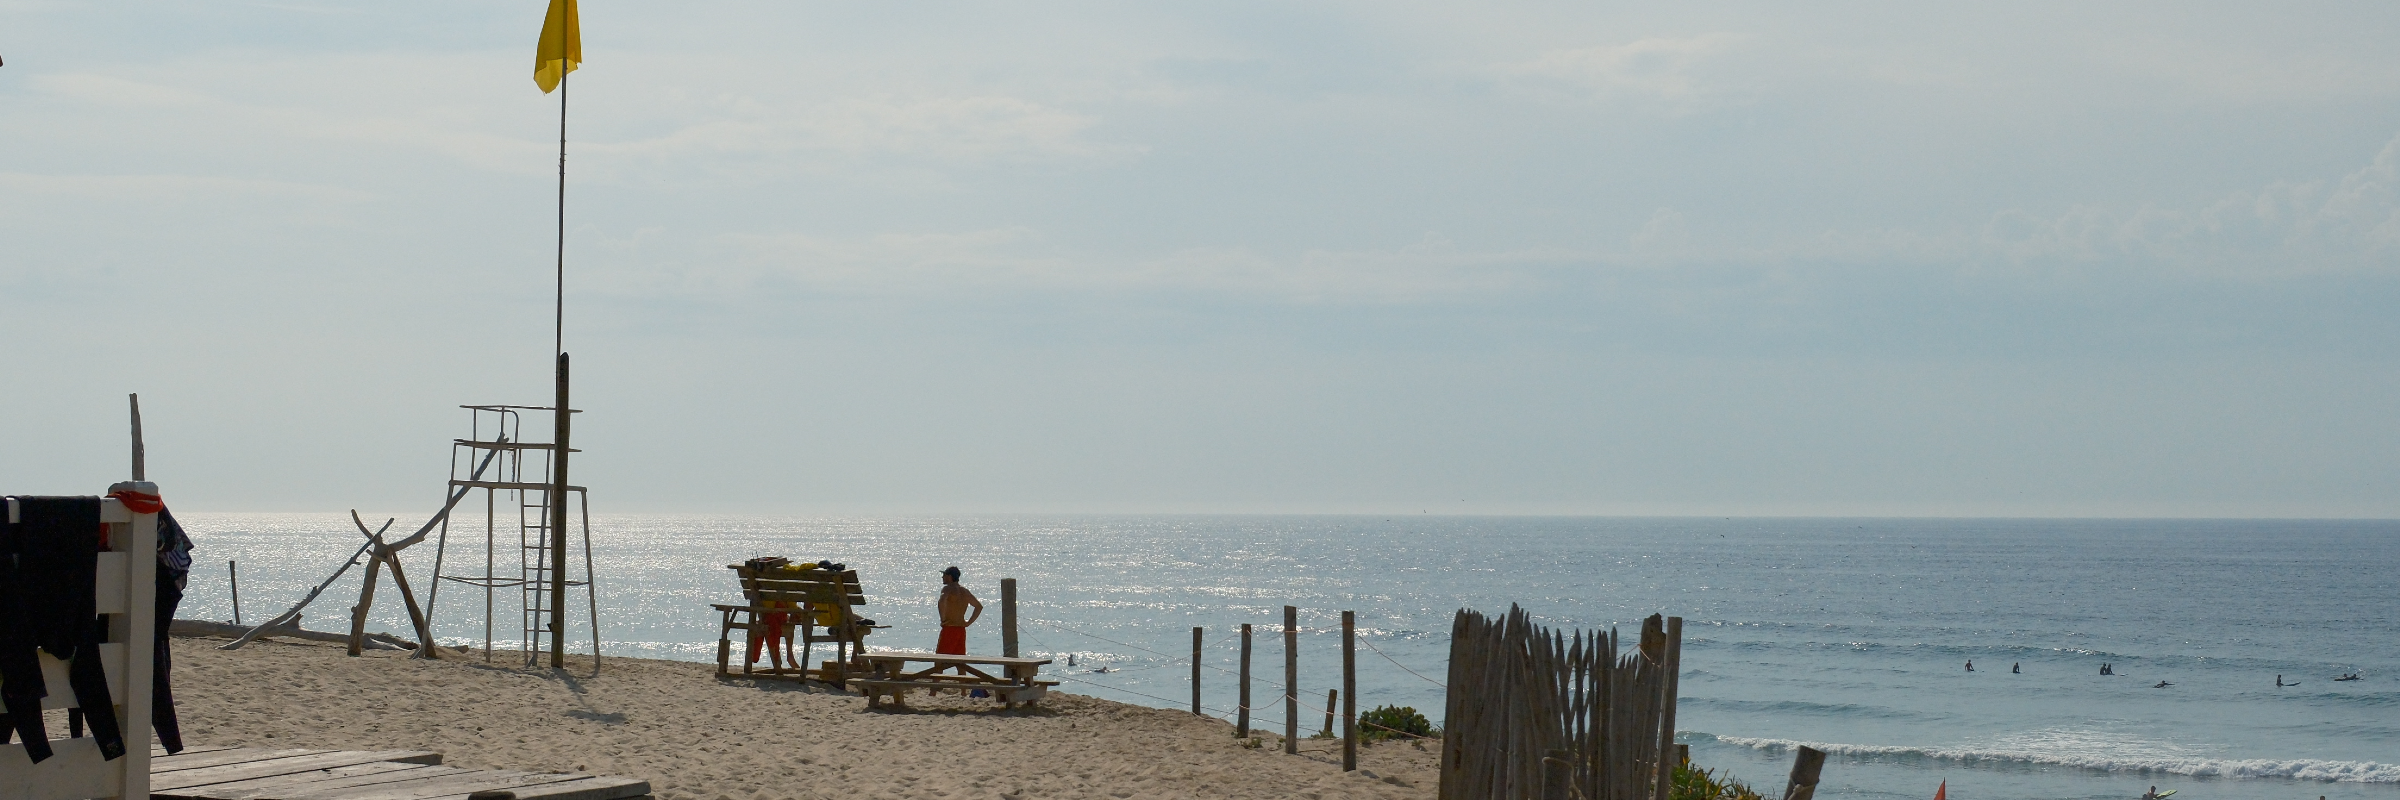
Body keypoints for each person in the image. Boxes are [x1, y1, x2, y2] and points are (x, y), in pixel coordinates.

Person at [936, 566, 984, 655]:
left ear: (949, 576)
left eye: (944, 575)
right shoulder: (965, 591)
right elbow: (979, 607)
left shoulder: (947, 589)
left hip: (949, 628)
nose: (942, 577)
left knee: (939, 660)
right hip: (961, 629)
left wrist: (942, 618)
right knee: (960, 661)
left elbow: (941, 601)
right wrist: (969, 622)